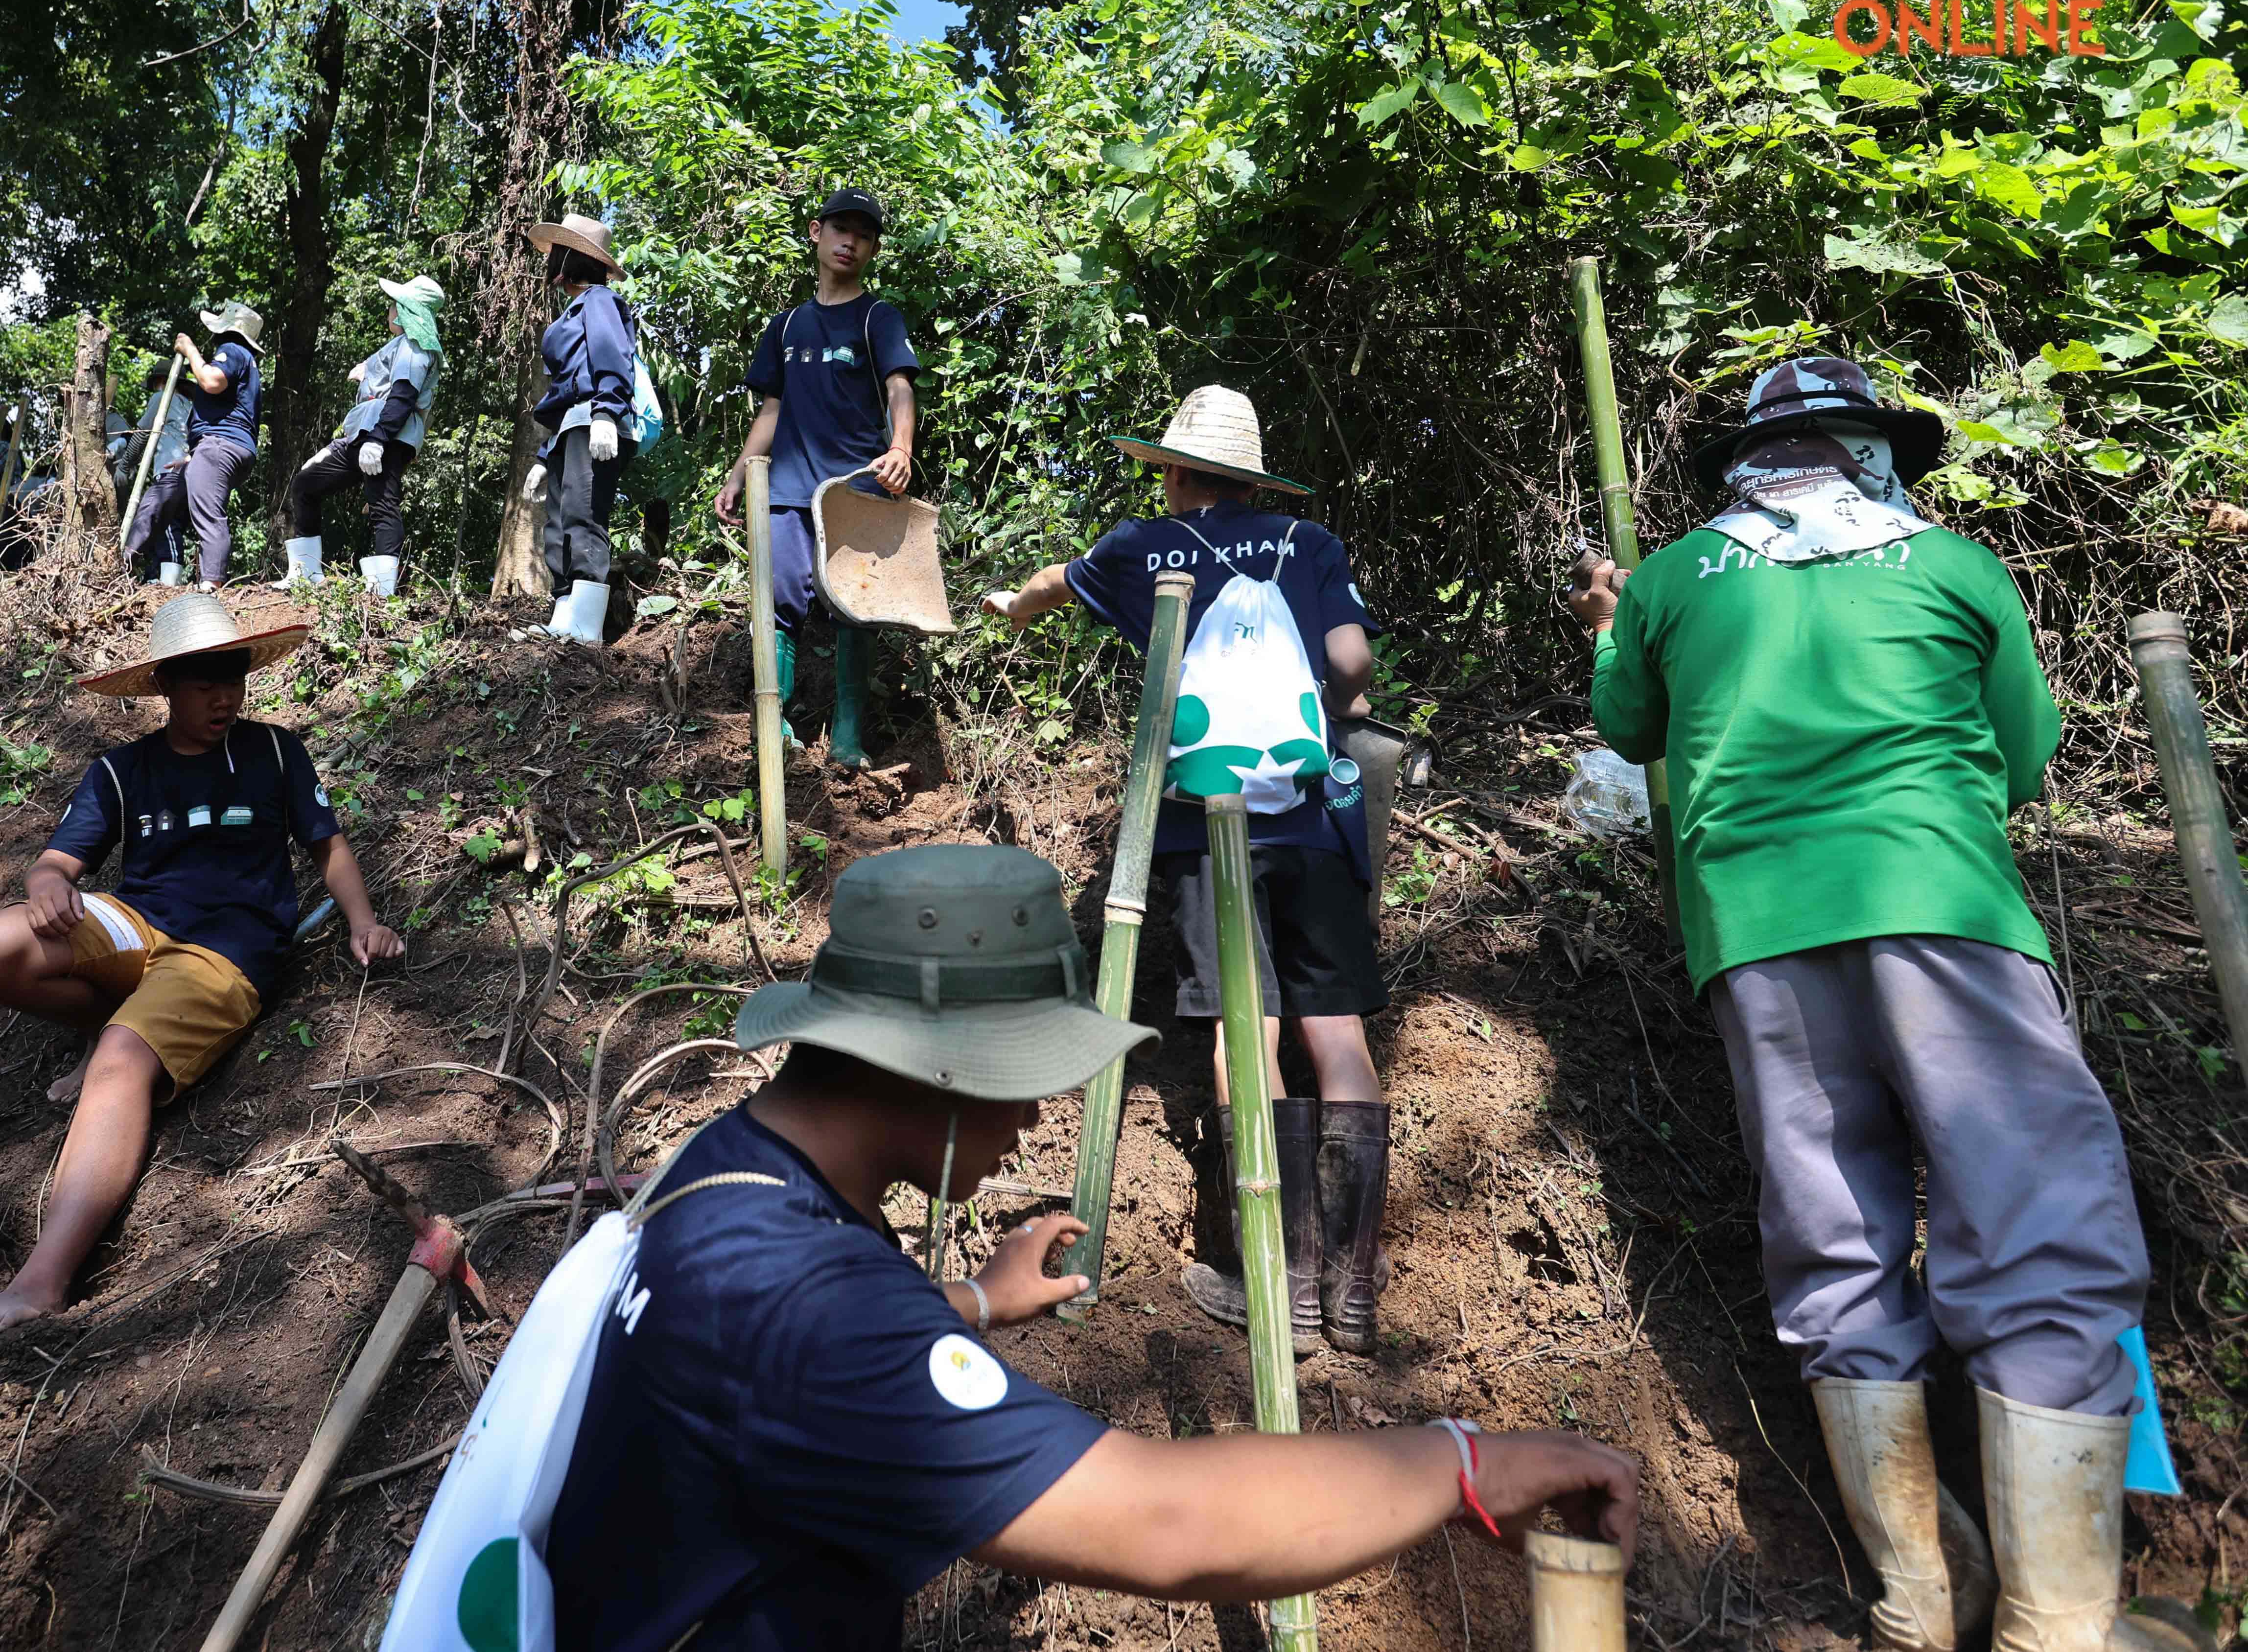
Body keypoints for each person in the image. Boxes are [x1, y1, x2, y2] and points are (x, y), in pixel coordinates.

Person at [546, 843, 1639, 1648]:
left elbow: (777, 1392)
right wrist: (1463, 1462)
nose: (1032, 1120)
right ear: (926, 1065)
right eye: (1023, 1077)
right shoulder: (811, 1312)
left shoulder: (725, 1170)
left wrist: (971, 1305)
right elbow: (1169, 1521)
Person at [1569, 357, 2201, 1652]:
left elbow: (1628, 725)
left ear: (1748, 462)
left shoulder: (1677, 580)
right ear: (1874, 453)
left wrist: (1615, 625)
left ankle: (1923, 1596)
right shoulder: (1958, 567)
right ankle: (2060, 1622)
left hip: (1755, 942)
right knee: (2041, 1233)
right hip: (1948, 910)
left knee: (1833, 1239)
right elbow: (2023, 762)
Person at [977, 385, 1386, 1355]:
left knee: (1244, 1024)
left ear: (1169, 469)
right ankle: (1352, 1290)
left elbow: (1047, 582)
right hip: (1309, 818)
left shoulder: (1139, 548)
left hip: (1205, 826)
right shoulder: (1306, 542)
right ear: (1247, 474)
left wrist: (1013, 608)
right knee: (1335, 1029)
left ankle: (1276, 1288)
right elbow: (1352, 661)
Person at [0, 593, 404, 1348]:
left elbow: (328, 846)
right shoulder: (122, 772)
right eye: (202, 681)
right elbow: (59, 861)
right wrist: (48, 884)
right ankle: (102, 1021)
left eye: (233, 677)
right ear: (166, 687)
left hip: (228, 948)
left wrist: (364, 921)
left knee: (121, 1062)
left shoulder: (277, 752)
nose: (223, 695)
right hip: (138, 923)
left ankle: (41, 1281)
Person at [714, 187, 922, 766]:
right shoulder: (786, 327)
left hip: (856, 487)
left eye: (862, 234)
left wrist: (901, 448)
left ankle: (849, 739)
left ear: (874, 248)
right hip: (785, 490)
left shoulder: (878, 317)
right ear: (816, 232)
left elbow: (900, 387)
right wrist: (737, 476)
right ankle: (772, 728)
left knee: (855, 608)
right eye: (840, 229)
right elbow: (772, 411)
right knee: (778, 603)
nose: (849, 241)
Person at [278, 275, 444, 599]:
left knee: (382, 505)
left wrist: (379, 440)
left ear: (408, 311)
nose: (390, 310)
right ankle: (306, 575)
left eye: (396, 304)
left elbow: (403, 395)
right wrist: (334, 447)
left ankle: (382, 594)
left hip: (385, 439)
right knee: (306, 484)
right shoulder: (400, 344)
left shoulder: (416, 345)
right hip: (364, 438)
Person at [518, 213, 637, 644]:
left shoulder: (600, 301)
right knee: (561, 523)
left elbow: (611, 355)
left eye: (556, 253)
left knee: (584, 518)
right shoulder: (575, 307)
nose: (550, 261)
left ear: (571, 260)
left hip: (595, 422)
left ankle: (585, 630)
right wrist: (544, 457)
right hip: (571, 429)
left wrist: (606, 412)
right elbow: (563, 392)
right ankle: (563, 620)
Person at [124, 305, 263, 591]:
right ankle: (122, 561)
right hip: (212, 449)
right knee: (160, 497)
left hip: (219, 448)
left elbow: (211, 381)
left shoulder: (233, 351)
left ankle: (211, 585)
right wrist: (192, 456)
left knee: (208, 514)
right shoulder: (246, 364)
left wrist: (189, 350)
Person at [114, 363, 193, 582]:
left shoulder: (162, 399)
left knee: (157, 520)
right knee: (168, 526)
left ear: (162, 383)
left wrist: (125, 466)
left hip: (171, 473)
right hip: (192, 473)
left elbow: (141, 434)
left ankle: (165, 583)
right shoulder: (190, 407)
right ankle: (159, 578)